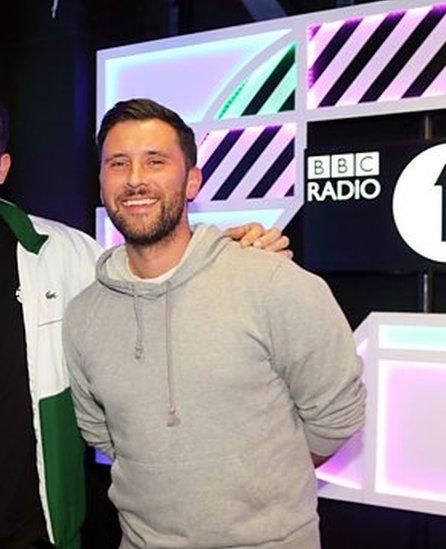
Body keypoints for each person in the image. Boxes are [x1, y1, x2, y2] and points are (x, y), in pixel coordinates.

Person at [0, 85, 290, 549]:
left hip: (40, 535)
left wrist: (230, 253)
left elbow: (153, 282)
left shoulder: (68, 254)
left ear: (2, 167)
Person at [63, 98, 366, 548]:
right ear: (102, 181)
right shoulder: (84, 314)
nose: (135, 179)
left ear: (192, 181)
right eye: (118, 163)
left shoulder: (272, 282)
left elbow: (336, 420)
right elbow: (102, 434)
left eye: (156, 161)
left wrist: (256, 485)